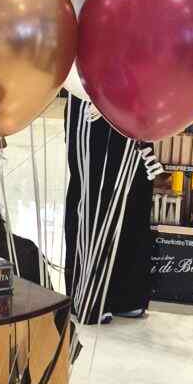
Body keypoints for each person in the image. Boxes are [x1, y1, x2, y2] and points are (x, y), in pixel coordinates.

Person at [64, 95, 153, 323]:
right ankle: (90, 297)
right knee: (95, 191)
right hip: (92, 102)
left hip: (141, 99)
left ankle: (126, 295)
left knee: (134, 192)